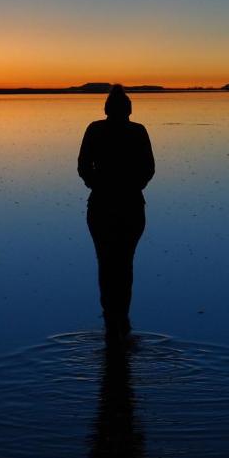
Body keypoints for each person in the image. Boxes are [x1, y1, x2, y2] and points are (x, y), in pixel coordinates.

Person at [78, 84, 155, 345]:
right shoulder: (137, 131)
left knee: (107, 263)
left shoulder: (96, 129)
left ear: (107, 109)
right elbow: (148, 169)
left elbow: (83, 166)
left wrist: (98, 185)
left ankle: (113, 320)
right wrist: (131, 187)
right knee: (124, 263)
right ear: (129, 110)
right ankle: (120, 319)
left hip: (104, 205)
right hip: (128, 205)